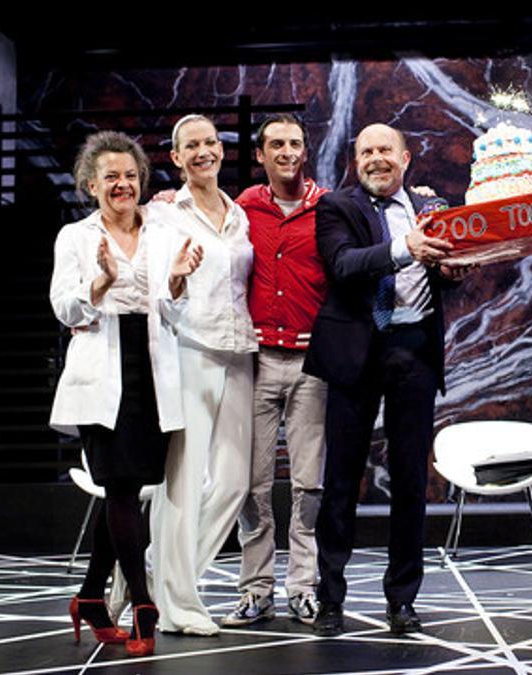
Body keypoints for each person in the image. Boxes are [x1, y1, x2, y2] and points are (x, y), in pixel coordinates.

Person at [304, 122, 467, 637]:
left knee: (411, 483)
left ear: (406, 157)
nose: (376, 158)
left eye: (385, 150)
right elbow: (343, 264)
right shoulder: (337, 207)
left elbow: (447, 269)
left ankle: (402, 600)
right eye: (366, 151)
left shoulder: (433, 207)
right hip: (355, 352)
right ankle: (330, 597)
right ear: (356, 160)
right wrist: (406, 248)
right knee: (340, 483)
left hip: (413, 351)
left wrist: (454, 271)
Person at [50, 131, 202, 656]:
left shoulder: (162, 235)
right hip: (102, 377)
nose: (122, 184)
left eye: (130, 175)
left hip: (154, 372)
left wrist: (179, 283)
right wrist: (100, 283)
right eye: (111, 176)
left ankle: (92, 596)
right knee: (118, 487)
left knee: (129, 489)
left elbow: (175, 313)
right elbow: (64, 310)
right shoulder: (75, 237)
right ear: (91, 184)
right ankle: (143, 602)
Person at [145, 114, 258, 635]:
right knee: (185, 483)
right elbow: (156, 289)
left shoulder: (239, 215)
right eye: (191, 146)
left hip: (240, 351)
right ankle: (179, 605)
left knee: (233, 483)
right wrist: (176, 278)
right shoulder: (165, 215)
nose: (203, 152)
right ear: (176, 157)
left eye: (210, 142)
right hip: (190, 349)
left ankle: (165, 574)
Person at [221, 114, 330, 627]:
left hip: (313, 363)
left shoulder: (328, 208)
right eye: (276, 145)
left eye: (295, 143)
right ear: (261, 154)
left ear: (305, 151)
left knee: (309, 483)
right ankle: (255, 589)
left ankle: (302, 586)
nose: (287, 151)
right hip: (258, 360)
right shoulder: (244, 207)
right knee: (251, 484)